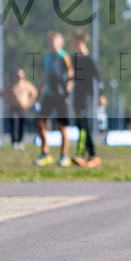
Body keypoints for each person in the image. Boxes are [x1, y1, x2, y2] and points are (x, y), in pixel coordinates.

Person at [34, 31, 73, 167]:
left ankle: (64, 156)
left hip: (60, 96)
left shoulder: (64, 56)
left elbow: (70, 75)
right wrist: (38, 93)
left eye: (53, 41)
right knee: (41, 123)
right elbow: (43, 76)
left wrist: (67, 94)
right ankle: (45, 153)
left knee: (61, 126)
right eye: (49, 41)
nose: (50, 43)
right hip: (49, 95)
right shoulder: (46, 58)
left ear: (60, 42)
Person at [70, 30, 106, 168]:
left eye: (73, 40)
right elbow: (71, 78)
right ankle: (93, 156)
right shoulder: (73, 59)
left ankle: (80, 155)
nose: (71, 43)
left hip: (86, 95)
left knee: (82, 123)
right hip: (76, 95)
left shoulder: (89, 59)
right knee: (81, 124)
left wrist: (102, 95)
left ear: (79, 41)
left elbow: (99, 78)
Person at [0, 68, 38, 150]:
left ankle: (20, 141)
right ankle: (14, 141)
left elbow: (35, 93)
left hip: (23, 108)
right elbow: (1, 93)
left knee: (21, 124)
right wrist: (7, 102)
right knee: (14, 123)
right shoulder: (11, 85)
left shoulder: (27, 85)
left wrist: (29, 103)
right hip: (13, 108)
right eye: (18, 76)